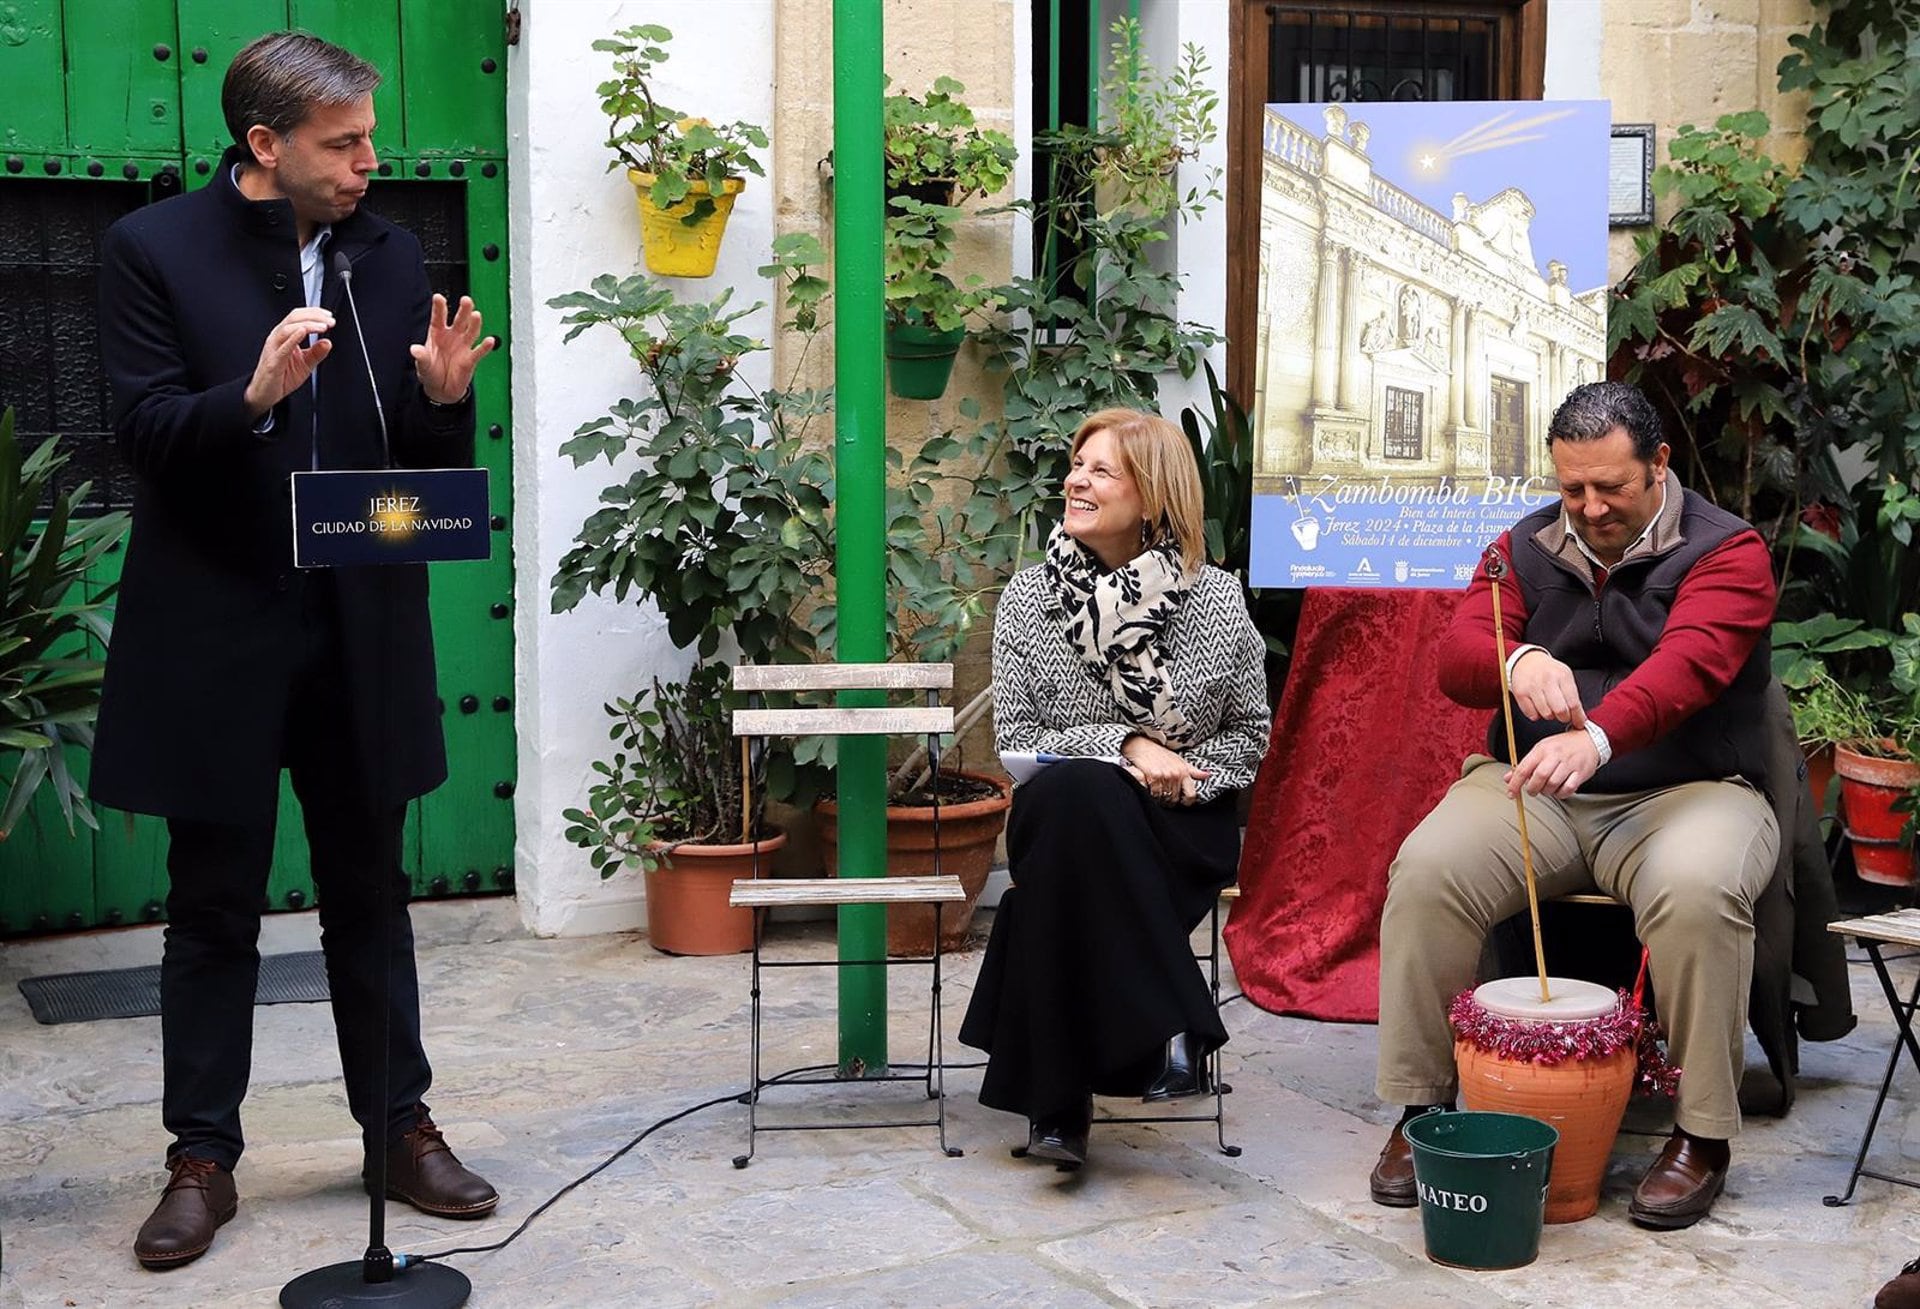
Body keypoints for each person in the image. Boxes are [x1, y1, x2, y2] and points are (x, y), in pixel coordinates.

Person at [93, 32, 500, 1270]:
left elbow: (415, 479)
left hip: (359, 628)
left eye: (371, 136)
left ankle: (397, 1127)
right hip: (216, 631)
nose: (371, 162)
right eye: (344, 143)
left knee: (370, 896)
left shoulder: (386, 257)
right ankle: (202, 1159)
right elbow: (146, 435)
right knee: (213, 908)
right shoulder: (151, 249)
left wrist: (442, 401)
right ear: (265, 146)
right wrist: (255, 395)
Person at [1367, 380, 1778, 1230]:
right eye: (1571, 488)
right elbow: (1459, 651)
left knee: (1699, 890)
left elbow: (1692, 664)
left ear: (1659, 465)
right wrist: (1514, 660)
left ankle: (1703, 1134)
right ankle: (1420, 1111)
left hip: (1687, 790)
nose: (1589, 508)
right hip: (1534, 793)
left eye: (1610, 489)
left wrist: (1597, 737)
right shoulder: (1522, 545)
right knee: (1428, 868)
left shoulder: (1726, 550)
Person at [958, 408, 1271, 1169]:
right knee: (1082, 799)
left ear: (1153, 496)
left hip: (1178, 822)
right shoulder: (1031, 599)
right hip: (1062, 811)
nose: (1076, 479)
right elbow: (1021, 736)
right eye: (1077, 464)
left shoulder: (1217, 599)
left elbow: (1250, 734)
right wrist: (1129, 747)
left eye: (1101, 470)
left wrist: (1183, 778)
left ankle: (1057, 1111)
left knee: (1052, 890)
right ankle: (1178, 1024)